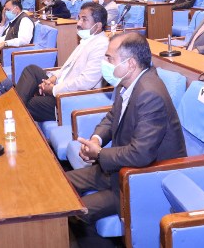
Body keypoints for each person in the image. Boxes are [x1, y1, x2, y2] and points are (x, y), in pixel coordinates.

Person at [67, 33, 186, 247]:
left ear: (130, 64)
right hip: (119, 168)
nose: (105, 63)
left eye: (109, 58)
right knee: (62, 184)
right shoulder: (126, 83)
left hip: (141, 178)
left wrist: (99, 154)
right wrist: (96, 140)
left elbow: (141, 154)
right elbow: (112, 116)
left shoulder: (150, 94)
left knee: (76, 211)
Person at [15, 2, 108, 122]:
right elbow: (66, 67)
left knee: (30, 103)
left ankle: (14, 113)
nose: (79, 23)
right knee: (31, 70)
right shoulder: (88, 39)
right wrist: (52, 79)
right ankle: (15, 108)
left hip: (71, 98)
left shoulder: (102, 46)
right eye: (79, 18)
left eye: (84, 19)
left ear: (98, 25)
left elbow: (85, 82)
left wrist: (54, 89)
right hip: (62, 87)